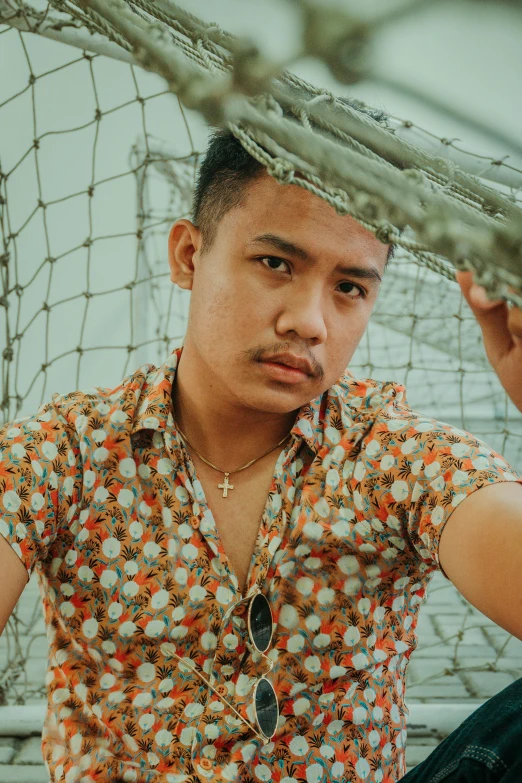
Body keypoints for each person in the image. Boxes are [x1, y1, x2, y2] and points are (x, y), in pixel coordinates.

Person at [0, 128, 521, 783]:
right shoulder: (66, 452)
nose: (310, 321)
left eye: (351, 287)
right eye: (277, 263)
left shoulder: (387, 454)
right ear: (189, 254)